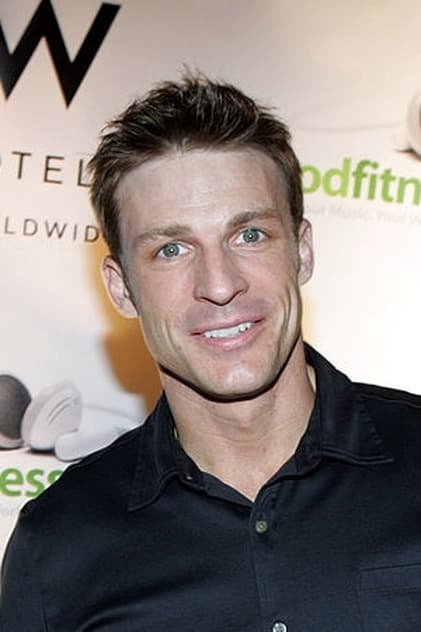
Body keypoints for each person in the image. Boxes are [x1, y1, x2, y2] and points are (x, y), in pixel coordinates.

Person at [1, 72, 421, 632]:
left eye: (249, 235)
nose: (220, 285)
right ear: (121, 288)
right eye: (171, 249)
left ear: (302, 251)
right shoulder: (57, 543)